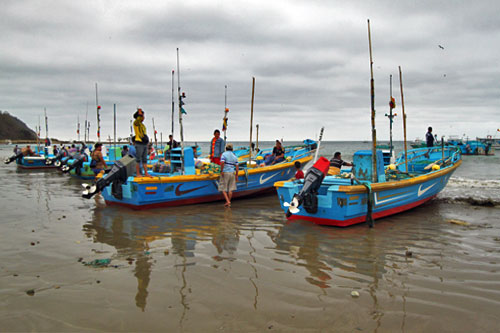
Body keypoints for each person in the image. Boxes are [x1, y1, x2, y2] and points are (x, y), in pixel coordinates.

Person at [219, 143, 239, 207]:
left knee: (223, 189)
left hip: (226, 172)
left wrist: (221, 170)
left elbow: (222, 162)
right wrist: (236, 175)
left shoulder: (224, 154)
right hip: (232, 173)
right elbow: (237, 166)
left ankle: (228, 201)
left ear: (226, 148)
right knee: (230, 189)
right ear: (232, 149)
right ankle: (228, 202)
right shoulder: (234, 156)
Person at [133, 108, 151, 177]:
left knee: (144, 159)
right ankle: (138, 174)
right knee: (138, 159)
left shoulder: (142, 125)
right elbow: (138, 119)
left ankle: (146, 173)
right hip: (139, 143)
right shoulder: (136, 123)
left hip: (144, 143)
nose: (143, 117)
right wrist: (139, 113)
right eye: (142, 116)